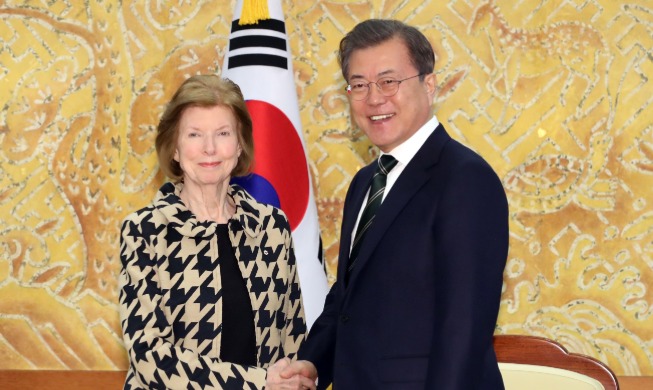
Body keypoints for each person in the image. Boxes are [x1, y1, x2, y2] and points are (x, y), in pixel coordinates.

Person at [282, 19, 509, 389]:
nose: (374, 98)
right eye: (359, 85)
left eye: (389, 81)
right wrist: (311, 363)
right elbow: (348, 300)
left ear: (429, 85)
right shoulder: (365, 183)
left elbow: (463, 329)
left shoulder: (465, 179)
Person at [118, 74, 316, 390]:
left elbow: (292, 336)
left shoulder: (271, 227)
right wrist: (257, 382)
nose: (209, 148)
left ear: (240, 146)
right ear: (175, 149)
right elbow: (148, 356)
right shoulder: (145, 232)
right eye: (195, 135)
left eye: (223, 133)